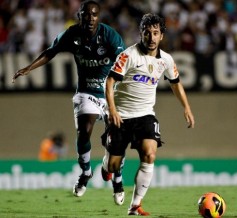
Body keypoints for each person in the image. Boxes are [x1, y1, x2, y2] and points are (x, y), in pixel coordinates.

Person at [12, 0, 126, 199]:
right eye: (86, 14)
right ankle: (85, 173)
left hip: (110, 93)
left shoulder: (109, 36)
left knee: (115, 139)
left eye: (94, 14)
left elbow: (124, 62)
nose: (90, 18)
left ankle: (117, 178)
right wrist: (29, 68)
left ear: (99, 17)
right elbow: (50, 51)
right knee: (85, 130)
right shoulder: (72, 34)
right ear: (79, 16)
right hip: (86, 92)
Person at [101, 13, 195, 216]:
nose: (151, 38)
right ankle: (108, 165)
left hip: (145, 115)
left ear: (162, 35)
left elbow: (176, 84)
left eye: (155, 33)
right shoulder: (128, 55)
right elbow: (109, 83)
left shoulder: (166, 60)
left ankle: (135, 205)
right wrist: (112, 110)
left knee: (150, 154)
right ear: (140, 34)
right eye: (147, 33)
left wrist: (186, 107)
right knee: (112, 165)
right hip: (121, 115)